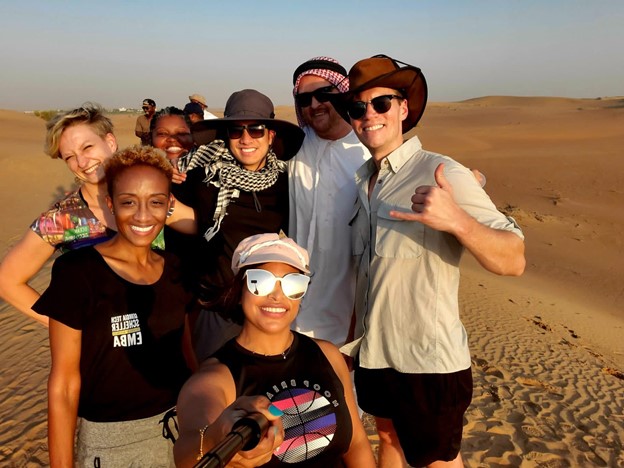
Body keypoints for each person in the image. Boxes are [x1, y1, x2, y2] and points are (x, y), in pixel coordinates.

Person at [338, 55, 526, 468]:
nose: (369, 115)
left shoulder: (442, 171)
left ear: (404, 109)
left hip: (427, 363)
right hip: (375, 354)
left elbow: (513, 259)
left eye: (381, 103)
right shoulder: (363, 183)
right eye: (358, 108)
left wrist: (457, 220)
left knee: (436, 461)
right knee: (388, 439)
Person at [33, 146, 196, 467]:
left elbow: (188, 356)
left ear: (168, 206)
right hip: (111, 444)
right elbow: (64, 384)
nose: (143, 215)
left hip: (181, 432)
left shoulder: (176, 268)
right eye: (128, 202)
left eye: (156, 202)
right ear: (110, 203)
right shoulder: (77, 272)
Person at [174, 233, 375, 467]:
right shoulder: (216, 378)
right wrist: (214, 438)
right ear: (239, 290)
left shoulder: (328, 355)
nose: (277, 295)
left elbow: (357, 444)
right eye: (260, 281)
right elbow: (186, 455)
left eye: (293, 284)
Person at [173, 89, 304, 361]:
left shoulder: (285, 182)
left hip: (265, 307)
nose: (246, 139)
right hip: (217, 310)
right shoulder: (201, 175)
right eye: (236, 131)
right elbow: (175, 214)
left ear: (271, 136)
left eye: (256, 130)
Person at [289, 56, 371, 346]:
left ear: (344, 93)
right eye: (305, 98)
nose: (314, 105)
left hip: (345, 324)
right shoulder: (294, 146)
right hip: (289, 314)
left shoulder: (368, 152)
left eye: (324, 94)